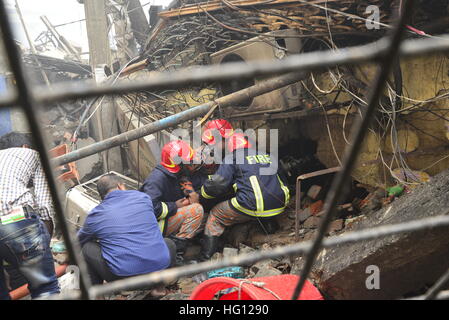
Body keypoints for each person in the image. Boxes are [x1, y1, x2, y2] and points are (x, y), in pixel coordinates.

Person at [199, 133, 290, 260]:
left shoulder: (232, 158)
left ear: (231, 148)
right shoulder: (266, 155)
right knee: (260, 195)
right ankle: (269, 224)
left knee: (215, 215)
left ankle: (206, 256)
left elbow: (217, 185)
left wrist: (202, 195)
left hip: (252, 205)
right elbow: (283, 179)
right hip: (280, 204)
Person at [77, 174, 174, 287]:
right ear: (120, 186)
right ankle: (159, 288)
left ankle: (98, 295)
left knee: (87, 247)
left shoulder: (95, 215)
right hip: (158, 270)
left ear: (101, 195)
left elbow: (77, 242)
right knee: (168, 243)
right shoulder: (143, 198)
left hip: (122, 278)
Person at [0, 132, 60, 299]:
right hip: (15, 218)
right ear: (25, 146)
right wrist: (44, 247)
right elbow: (45, 205)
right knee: (45, 288)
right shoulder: (33, 154)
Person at [141, 140, 205, 264]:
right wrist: (174, 206)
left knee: (203, 216)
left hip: (166, 217)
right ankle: (176, 255)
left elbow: (184, 177)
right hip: (155, 226)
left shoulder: (173, 172)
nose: (189, 164)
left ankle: (182, 243)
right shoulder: (156, 180)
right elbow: (150, 209)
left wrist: (190, 192)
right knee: (196, 210)